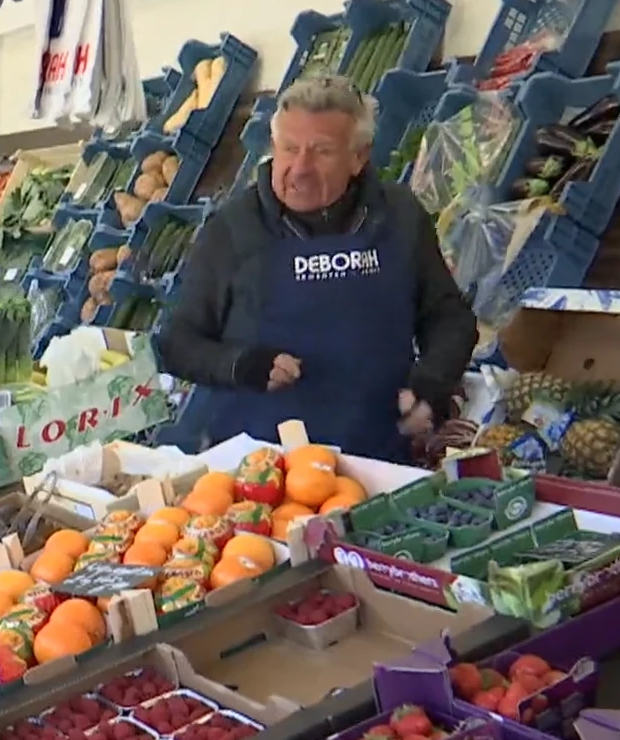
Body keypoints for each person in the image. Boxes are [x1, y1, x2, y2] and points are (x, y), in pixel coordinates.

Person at [154, 75, 478, 462]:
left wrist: (434, 380)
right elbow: (177, 344)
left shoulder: (400, 216)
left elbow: (449, 317)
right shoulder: (232, 228)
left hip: (377, 462)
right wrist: (241, 365)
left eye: (322, 151)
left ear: (359, 157)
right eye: (289, 149)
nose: (300, 168)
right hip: (261, 471)